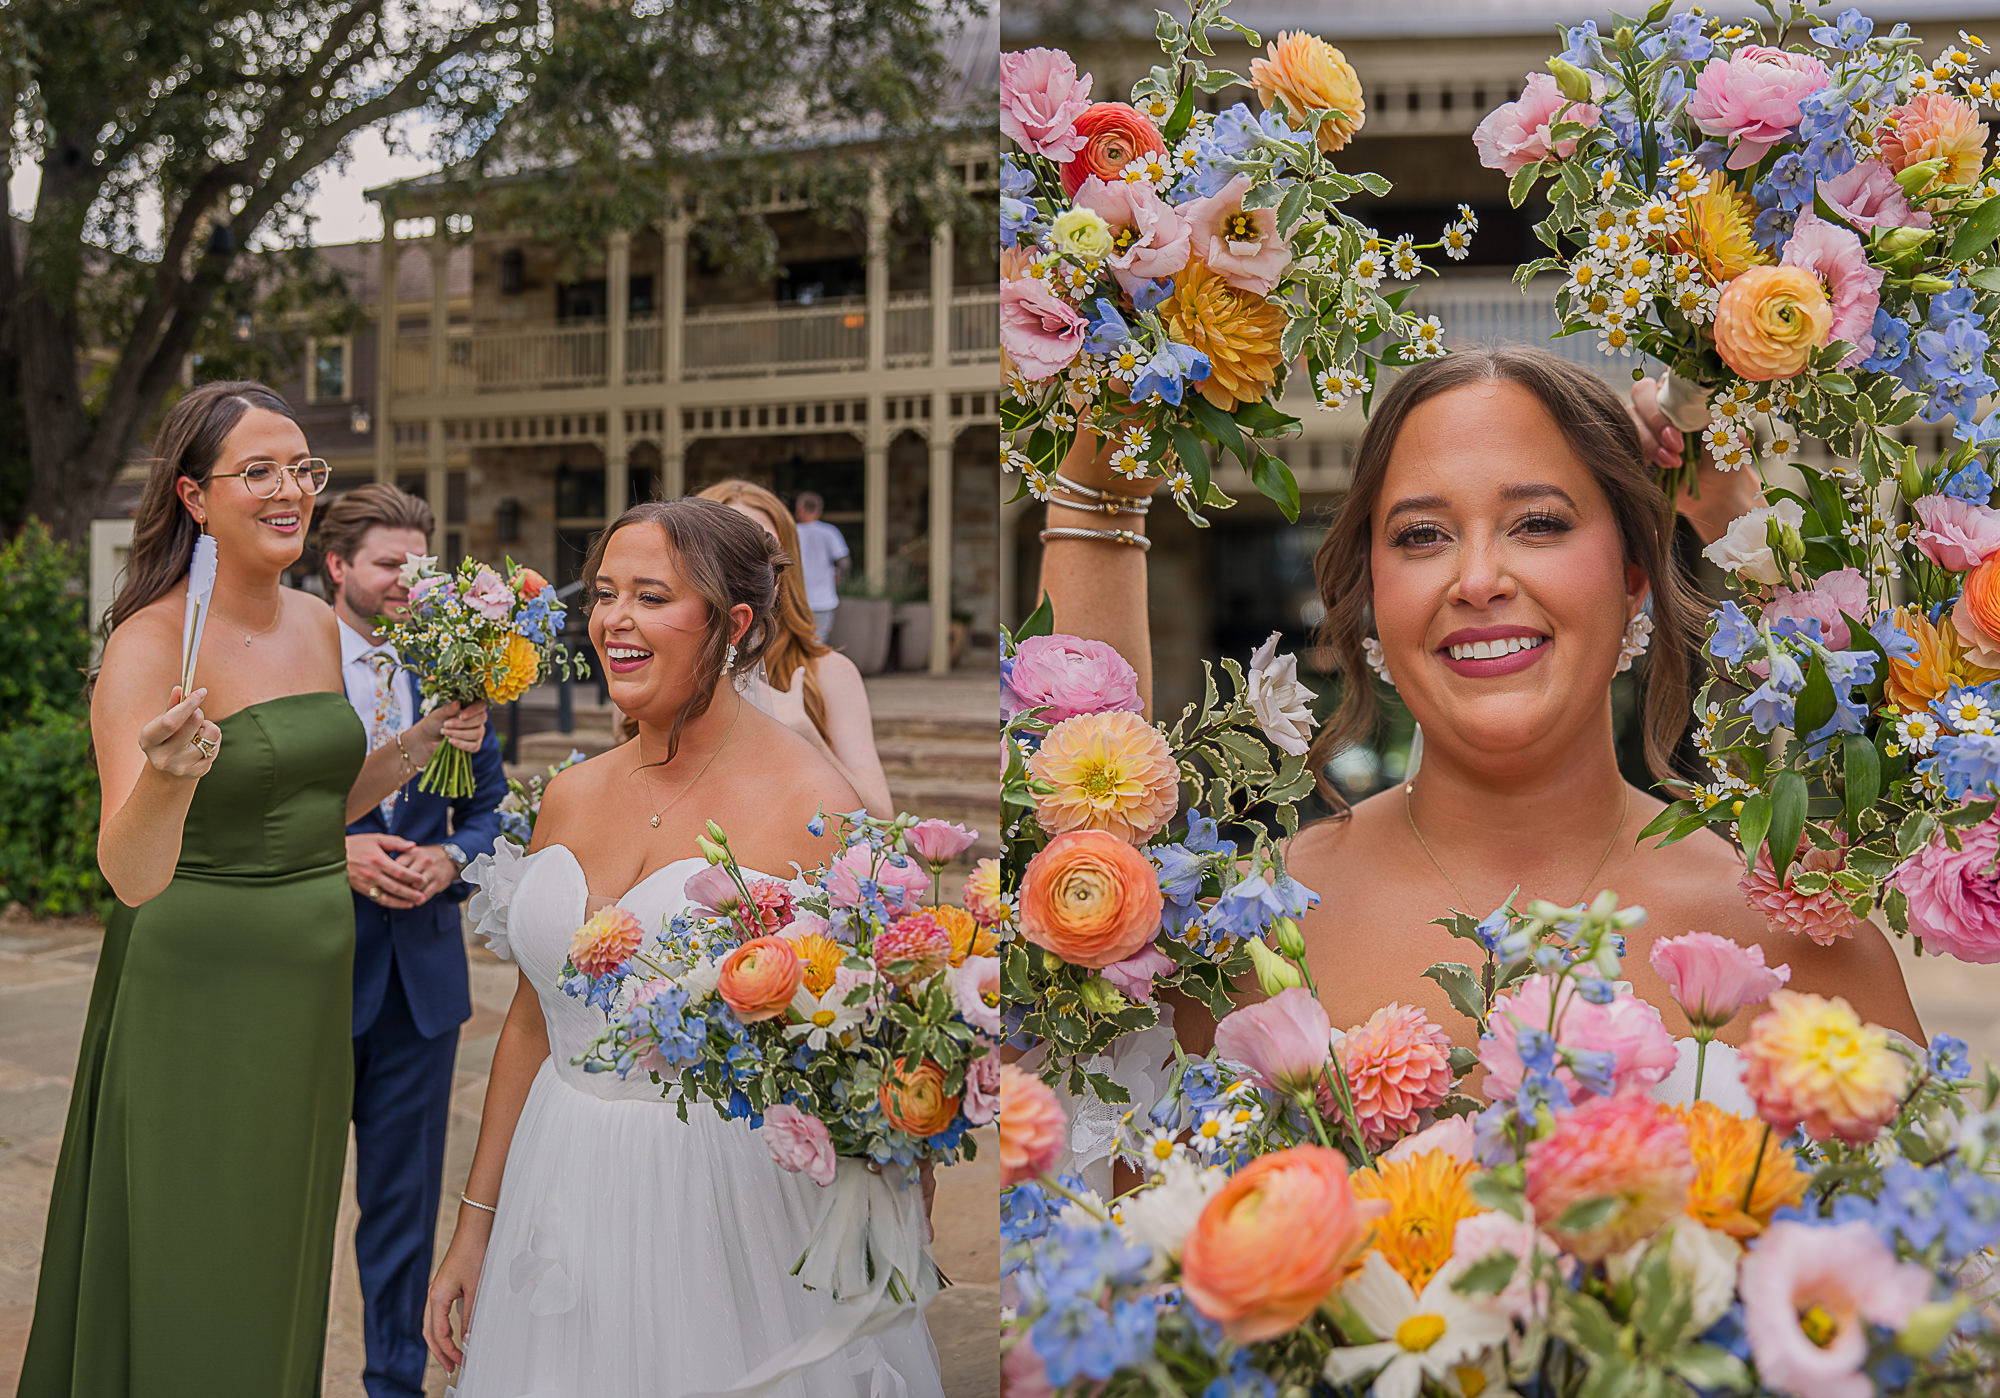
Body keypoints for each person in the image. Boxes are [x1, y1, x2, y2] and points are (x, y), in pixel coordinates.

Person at [1038, 348, 1923, 1055]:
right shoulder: (1249, 936)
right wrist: (1099, 490)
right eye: (1422, 536)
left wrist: (1732, 502)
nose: (1477, 580)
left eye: (1538, 523)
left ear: (1633, 579)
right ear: (1372, 595)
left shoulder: (1795, 932)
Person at [20, 382, 488, 1397]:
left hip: (306, 983)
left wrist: (417, 742)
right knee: (198, 1243)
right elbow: (131, 871)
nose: (291, 491)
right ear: (195, 497)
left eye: (303, 469)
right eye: (260, 472)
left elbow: (318, 799)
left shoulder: (317, 624)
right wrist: (171, 777)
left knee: (282, 1238)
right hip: (200, 978)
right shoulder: (151, 645)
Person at [423, 498, 942, 1396]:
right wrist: (476, 1222)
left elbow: (871, 1050)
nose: (615, 620)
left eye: (652, 596)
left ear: (734, 623)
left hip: (722, 1201)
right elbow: (531, 1025)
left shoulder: (808, 805)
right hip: (561, 1178)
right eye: (606, 594)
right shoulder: (572, 794)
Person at [320, 483, 509, 1398]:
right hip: (309, 975)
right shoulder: (286, 663)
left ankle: (394, 1383)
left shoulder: (456, 672)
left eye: (418, 564)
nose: (407, 580)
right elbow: (250, 814)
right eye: (389, 563)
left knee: (401, 1209)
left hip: (421, 988)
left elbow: (487, 810)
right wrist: (337, 850)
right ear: (338, 568)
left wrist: (450, 861)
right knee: (286, 1201)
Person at [697, 478, 893, 814]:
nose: (741, 570)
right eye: (723, 551)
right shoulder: (655, 669)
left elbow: (882, 819)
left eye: (760, 552)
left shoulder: (829, 673)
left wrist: (808, 739)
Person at [793, 489, 850, 642]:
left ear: (800, 509)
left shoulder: (792, 532)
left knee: (797, 644)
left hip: (797, 600)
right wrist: (839, 574)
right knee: (818, 644)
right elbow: (844, 561)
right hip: (824, 600)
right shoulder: (830, 532)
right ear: (818, 510)